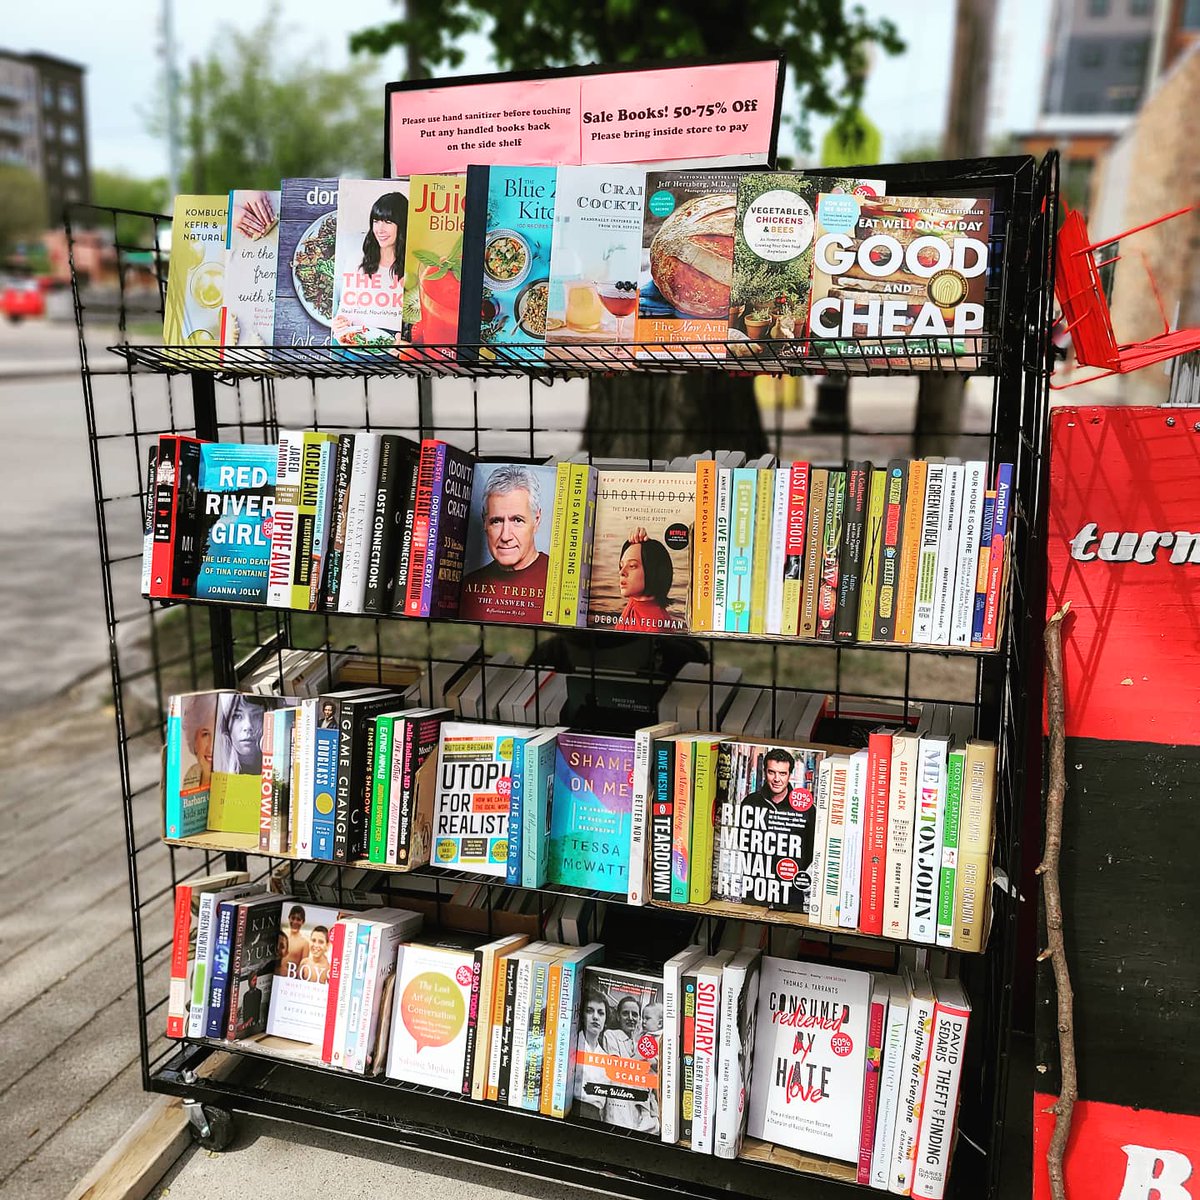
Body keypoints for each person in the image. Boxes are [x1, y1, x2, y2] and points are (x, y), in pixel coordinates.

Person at [458, 464, 551, 623]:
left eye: (517, 520)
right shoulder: (467, 586)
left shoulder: (559, 582)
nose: (505, 536)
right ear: (485, 523)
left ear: (536, 520)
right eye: (496, 521)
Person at [332, 191, 408, 352]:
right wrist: (338, 323)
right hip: (353, 345)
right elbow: (341, 313)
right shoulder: (355, 259)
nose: (380, 229)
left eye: (388, 222)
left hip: (394, 349)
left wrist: (407, 341)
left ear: (402, 225)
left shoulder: (413, 267)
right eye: (376, 221)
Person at [615, 527, 686, 633]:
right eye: (621, 566)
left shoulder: (655, 627)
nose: (622, 572)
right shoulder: (636, 601)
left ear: (651, 570)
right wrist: (640, 539)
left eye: (632, 566)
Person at [213, 693, 264, 776]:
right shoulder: (217, 766)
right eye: (237, 716)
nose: (248, 726)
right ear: (225, 723)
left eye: (256, 715)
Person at [181, 692, 217, 793]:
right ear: (194, 739)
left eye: (218, 735)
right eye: (205, 734)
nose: (210, 748)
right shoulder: (192, 774)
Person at [275, 905, 309, 976]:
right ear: (289, 918)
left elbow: (303, 967)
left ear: (303, 922)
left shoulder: (304, 943)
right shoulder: (282, 936)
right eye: (293, 918)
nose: (295, 922)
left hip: (290, 978)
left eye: (298, 919)